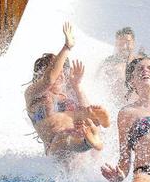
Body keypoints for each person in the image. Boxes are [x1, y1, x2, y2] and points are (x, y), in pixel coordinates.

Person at [25, 22, 110, 156]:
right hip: (56, 149)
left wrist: (77, 86)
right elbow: (49, 80)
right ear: (40, 74)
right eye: (55, 69)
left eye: (61, 71)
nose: (60, 74)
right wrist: (67, 47)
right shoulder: (32, 94)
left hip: (79, 145)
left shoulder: (68, 93)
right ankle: (88, 142)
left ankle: (98, 126)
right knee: (63, 138)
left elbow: (85, 108)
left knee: (88, 114)